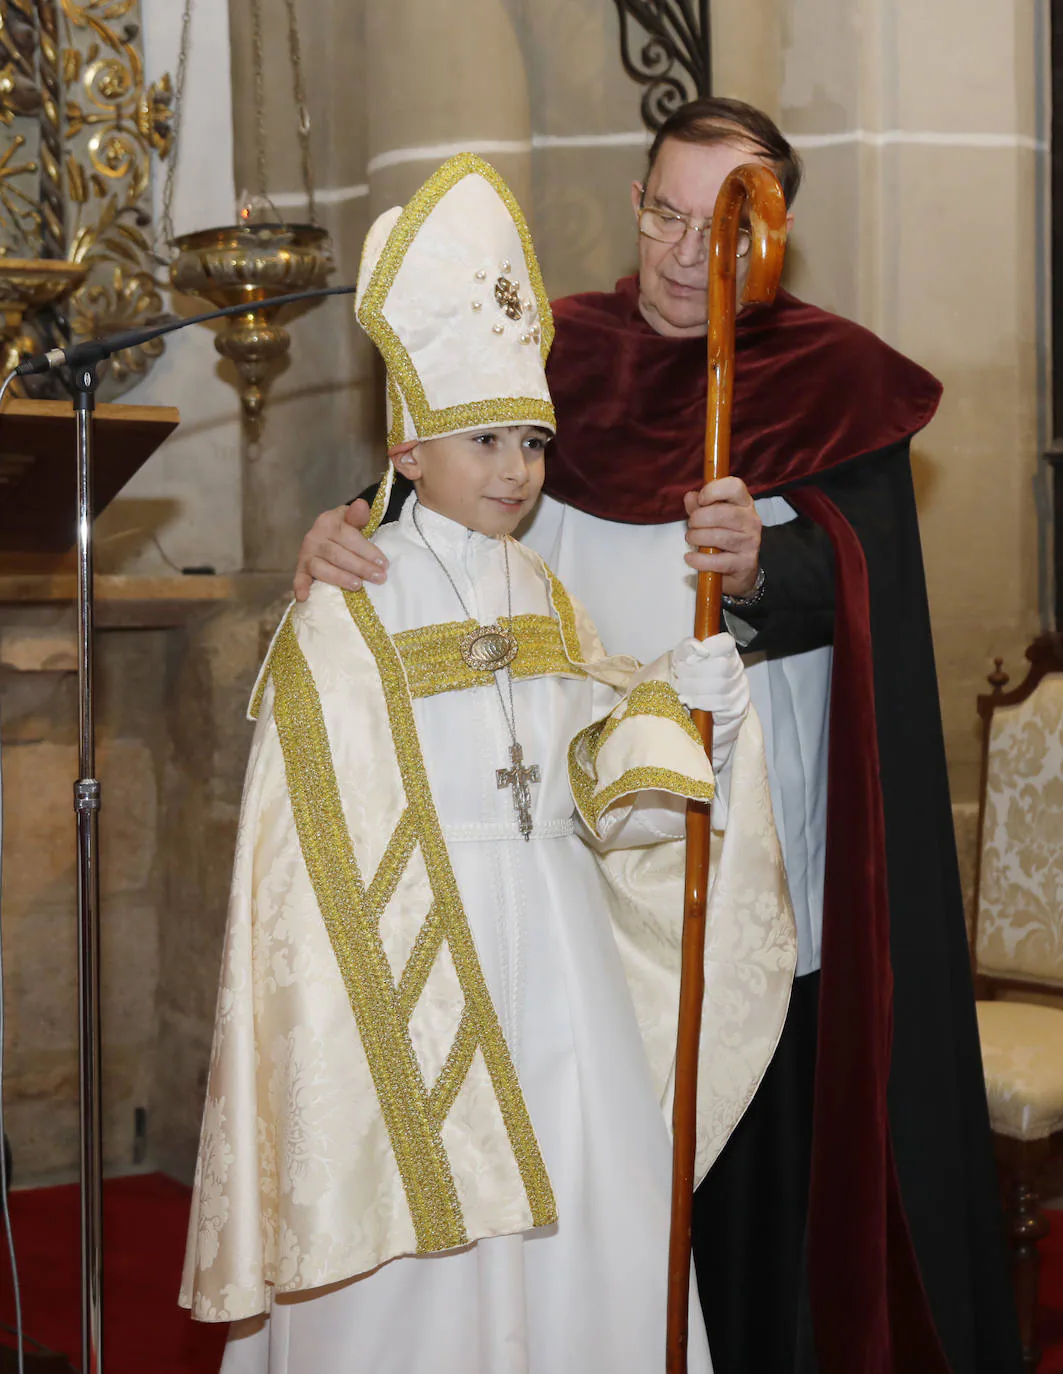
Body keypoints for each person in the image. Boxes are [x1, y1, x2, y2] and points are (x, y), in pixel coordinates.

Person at [293, 101, 1023, 1373]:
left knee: (748, 1169)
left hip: (746, 857)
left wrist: (765, 566)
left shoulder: (824, 379)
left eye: (717, 229)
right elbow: (444, 500)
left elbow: (870, 594)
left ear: (773, 241)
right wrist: (342, 534)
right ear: (635, 203)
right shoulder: (553, 356)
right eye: (661, 215)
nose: (683, 256)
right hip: (567, 848)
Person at [180, 153, 796, 1374]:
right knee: (430, 1272)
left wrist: (685, 712)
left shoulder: (540, 591)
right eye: (481, 441)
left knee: (585, 1213)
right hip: (407, 974)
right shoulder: (347, 598)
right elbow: (310, 839)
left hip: (554, 965)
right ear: (405, 450)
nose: (514, 468)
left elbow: (591, 783)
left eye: (529, 439)